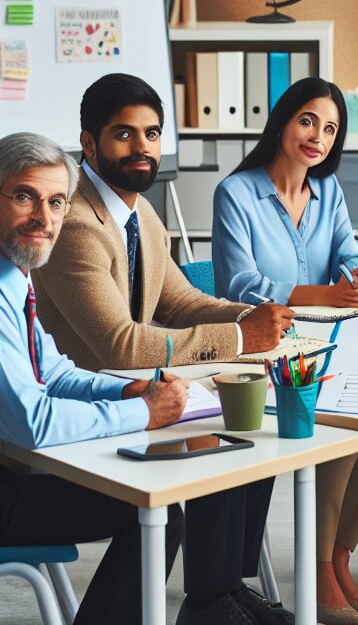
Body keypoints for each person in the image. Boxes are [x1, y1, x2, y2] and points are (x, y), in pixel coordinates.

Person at [32, 74, 297, 625]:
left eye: (151, 135)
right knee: (224, 426)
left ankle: (222, 587)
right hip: (86, 402)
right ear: (89, 144)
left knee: (248, 420)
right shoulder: (76, 224)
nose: (142, 148)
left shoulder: (136, 210)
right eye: (124, 135)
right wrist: (245, 338)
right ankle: (210, 599)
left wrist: (254, 318)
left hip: (129, 387)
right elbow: (123, 345)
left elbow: (178, 300)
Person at [0, 131, 188, 625]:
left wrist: (126, 389)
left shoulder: (13, 277)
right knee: (150, 511)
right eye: (25, 197)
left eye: (57, 202)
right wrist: (143, 413)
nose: (44, 218)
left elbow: (53, 371)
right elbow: (33, 424)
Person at [213, 77, 358, 624]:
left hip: (325, 340)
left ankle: (333, 563)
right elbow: (240, 285)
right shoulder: (236, 192)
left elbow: (348, 251)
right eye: (308, 120)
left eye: (330, 129)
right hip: (259, 347)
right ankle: (321, 570)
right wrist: (327, 293)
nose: (318, 137)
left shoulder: (328, 192)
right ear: (282, 120)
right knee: (343, 432)